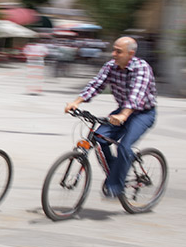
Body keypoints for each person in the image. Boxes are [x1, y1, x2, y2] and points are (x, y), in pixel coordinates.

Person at [64, 36, 157, 198]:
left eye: (118, 51)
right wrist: (76, 102)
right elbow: (96, 84)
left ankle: (116, 186)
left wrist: (124, 115)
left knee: (124, 147)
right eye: (113, 50)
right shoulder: (110, 66)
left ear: (131, 53)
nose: (113, 54)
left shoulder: (142, 68)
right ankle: (117, 170)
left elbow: (136, 94)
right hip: (122, 111)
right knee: (99, 138)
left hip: (143, 113)